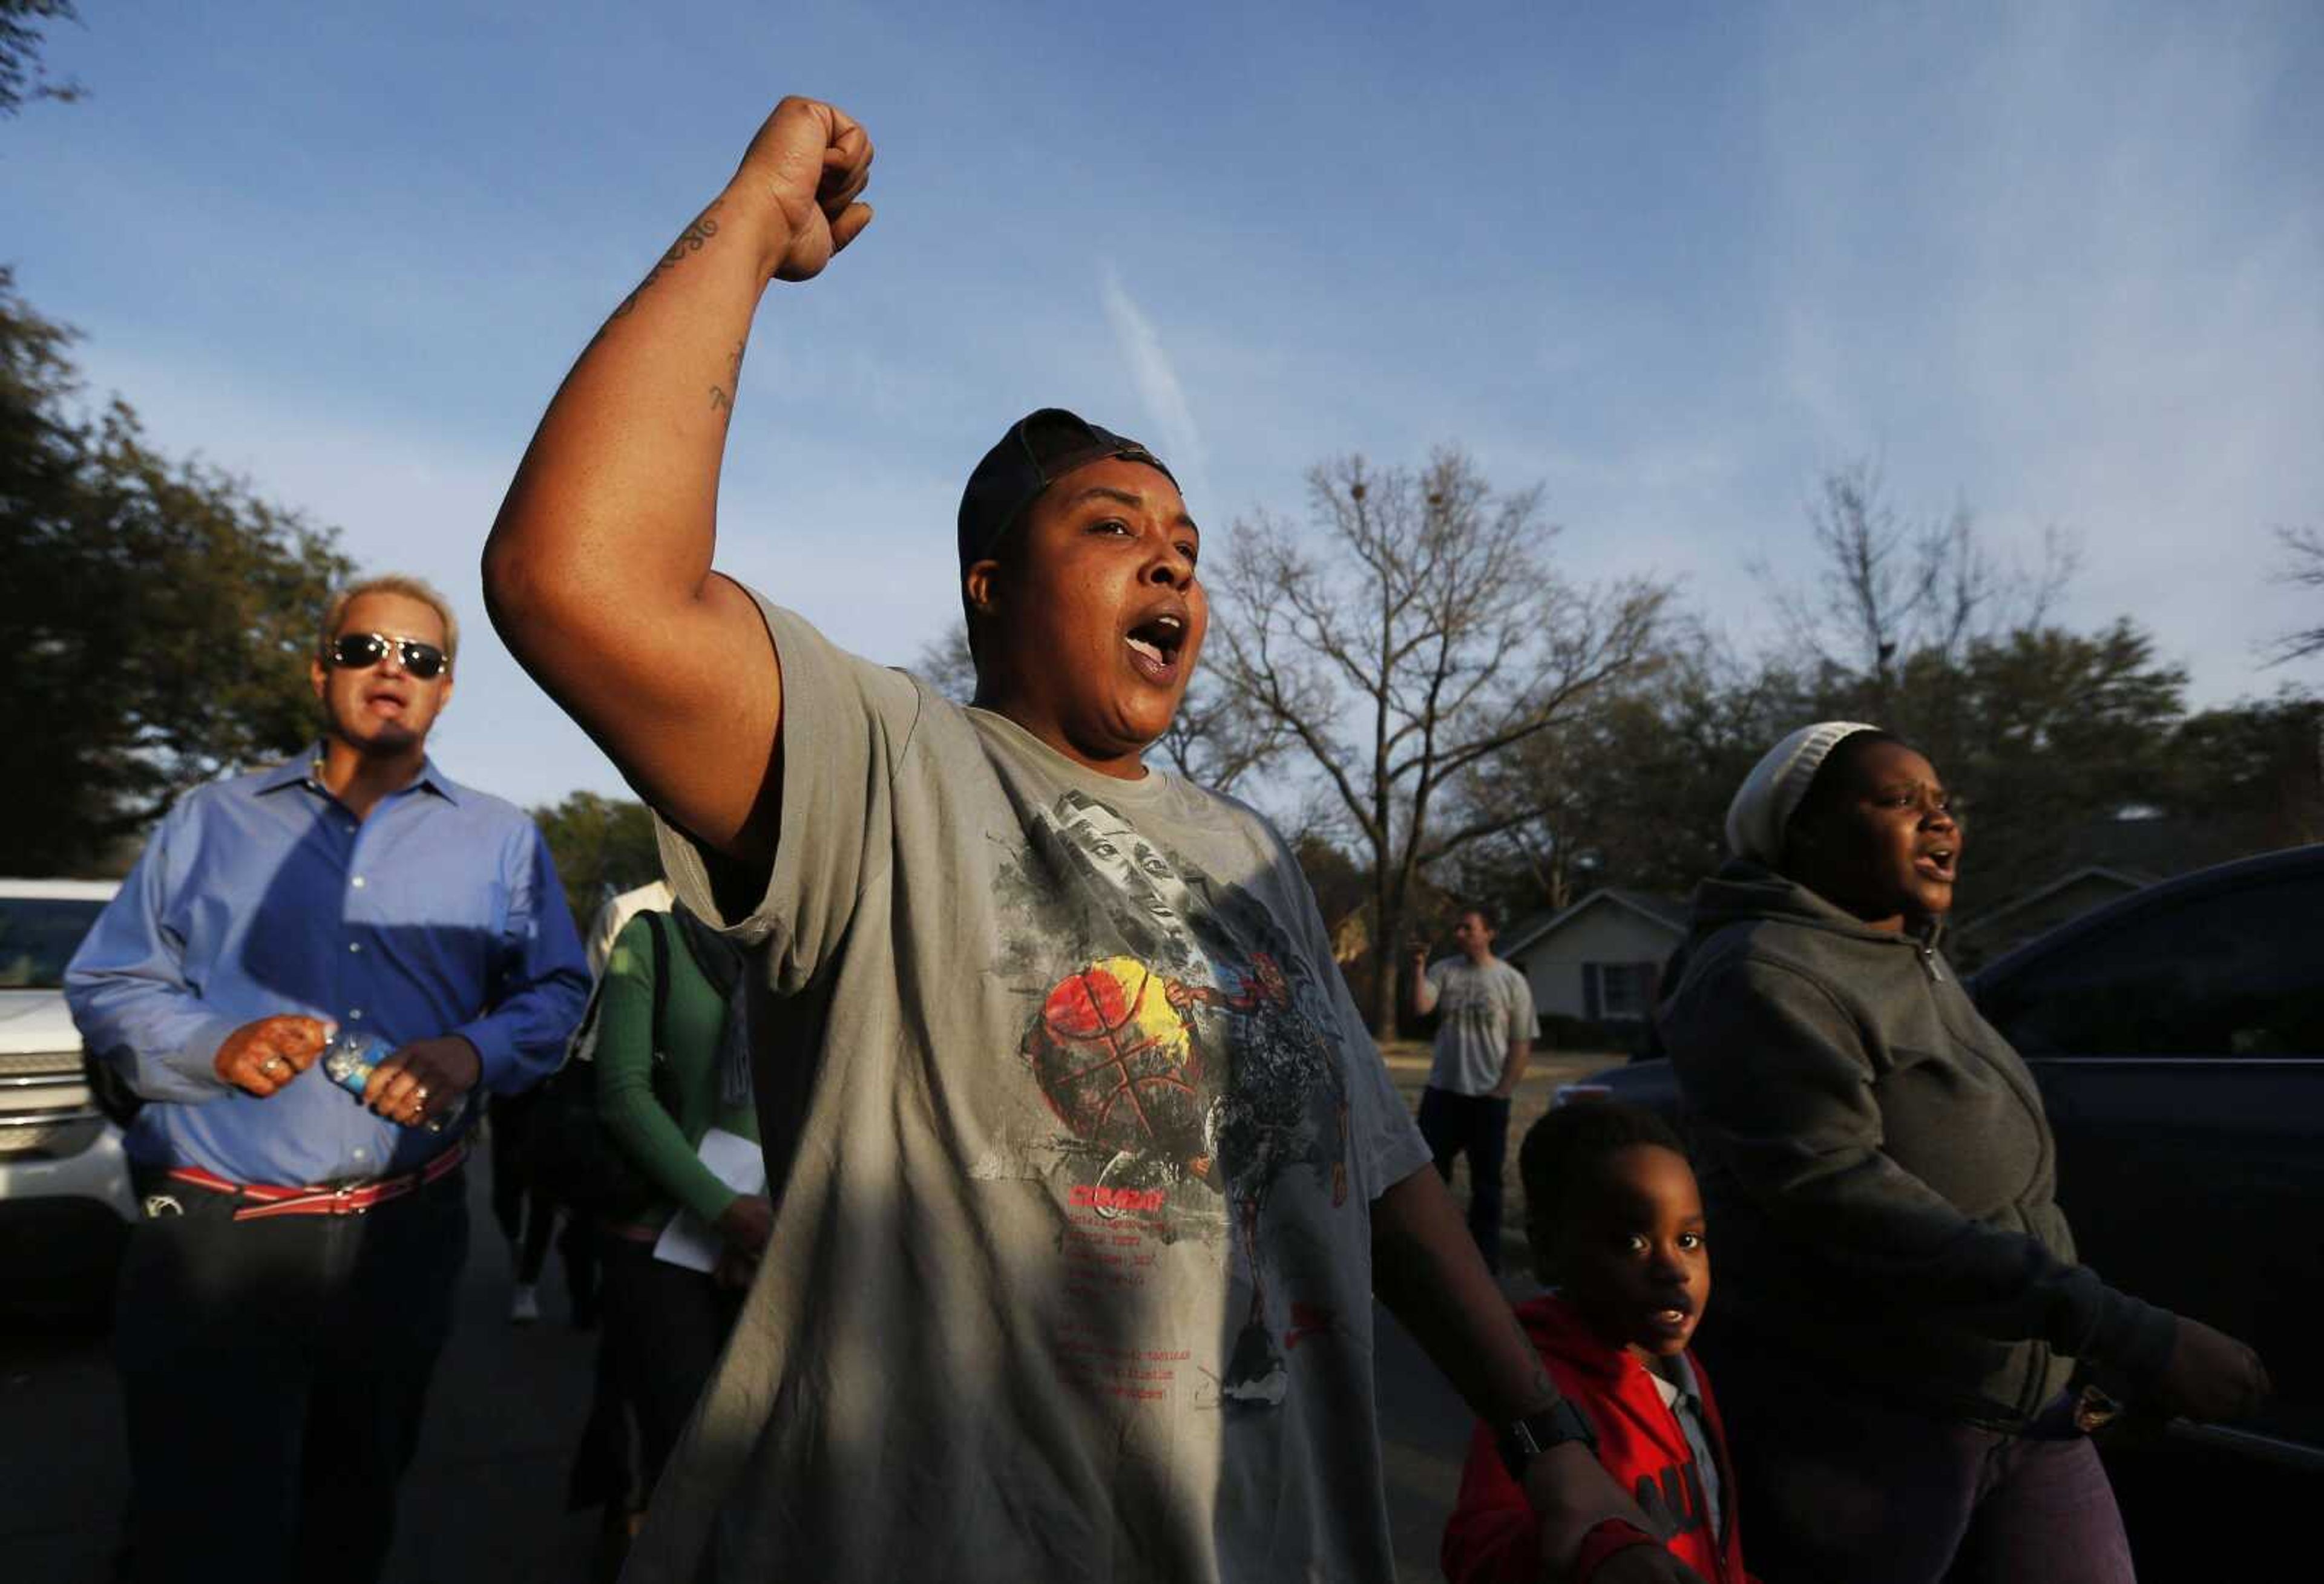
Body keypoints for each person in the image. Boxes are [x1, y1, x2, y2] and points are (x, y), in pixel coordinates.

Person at [481, 95, 1699, 1583]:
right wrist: (749, 225)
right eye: (1112, 527)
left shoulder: (1253, 857)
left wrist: (1547, 1443)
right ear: (989, 588)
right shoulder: (886, 766)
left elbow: (1376, 1179)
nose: (1172, 556)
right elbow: (574, 577)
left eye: (1185, 541)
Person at [64, 574, 592, 1584]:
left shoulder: (501, 839)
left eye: (421, 658)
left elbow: (557, 990)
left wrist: (471, 1050)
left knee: (352, 1509)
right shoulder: (211, 818)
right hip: (219, 1233)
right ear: (321, 671)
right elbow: (113, 976)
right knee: (198, 1526)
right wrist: (212, 1043)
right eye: (364, 649)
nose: (392, 669)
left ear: (444, 690)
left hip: (406, 1234)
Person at [1656, 721, 2271, 1583]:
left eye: (1944, 803)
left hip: (2031, 1413)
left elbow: (2002, 1194)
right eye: (1902, 801)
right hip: (1871, 1429)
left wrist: (2081, 1356)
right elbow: (1844, 1197)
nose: (1941, 822)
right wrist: (2128, 1330)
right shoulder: (1763, 973)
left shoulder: (1913, 955)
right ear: (1804, 831)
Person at [1444, 1101, 1753, 1584]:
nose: (1675, 1269)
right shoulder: (1537, 1394)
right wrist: (1602, 1554)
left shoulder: (1687, 1372)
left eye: (1689, 1240)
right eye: (1633, 1242)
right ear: (1548, 1250)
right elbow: (1478, 1549)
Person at [592, 903, 764, 1504]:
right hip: (662, 1246)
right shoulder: (653, 938)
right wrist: (727, 1211)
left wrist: (769, 1228)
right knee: (682, 1466)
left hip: (775, 1247)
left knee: (768, 1468)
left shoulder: (808, 949)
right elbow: (622, 1094)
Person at [1410, 906, 1536, 1271]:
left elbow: (1520, 1042)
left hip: (1487, 1100)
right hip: (1443, 1093)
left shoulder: (1511, 981)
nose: (1460, 933)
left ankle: (1485, 1263)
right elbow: (1421, 1006)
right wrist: (1418, 966)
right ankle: (1431, 1254)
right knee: (1431, 1178)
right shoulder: (1444, 971)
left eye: (1468, 928)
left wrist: (1503, 1090)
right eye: (1458, 928)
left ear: (1489, 932)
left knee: (1487, 1186)